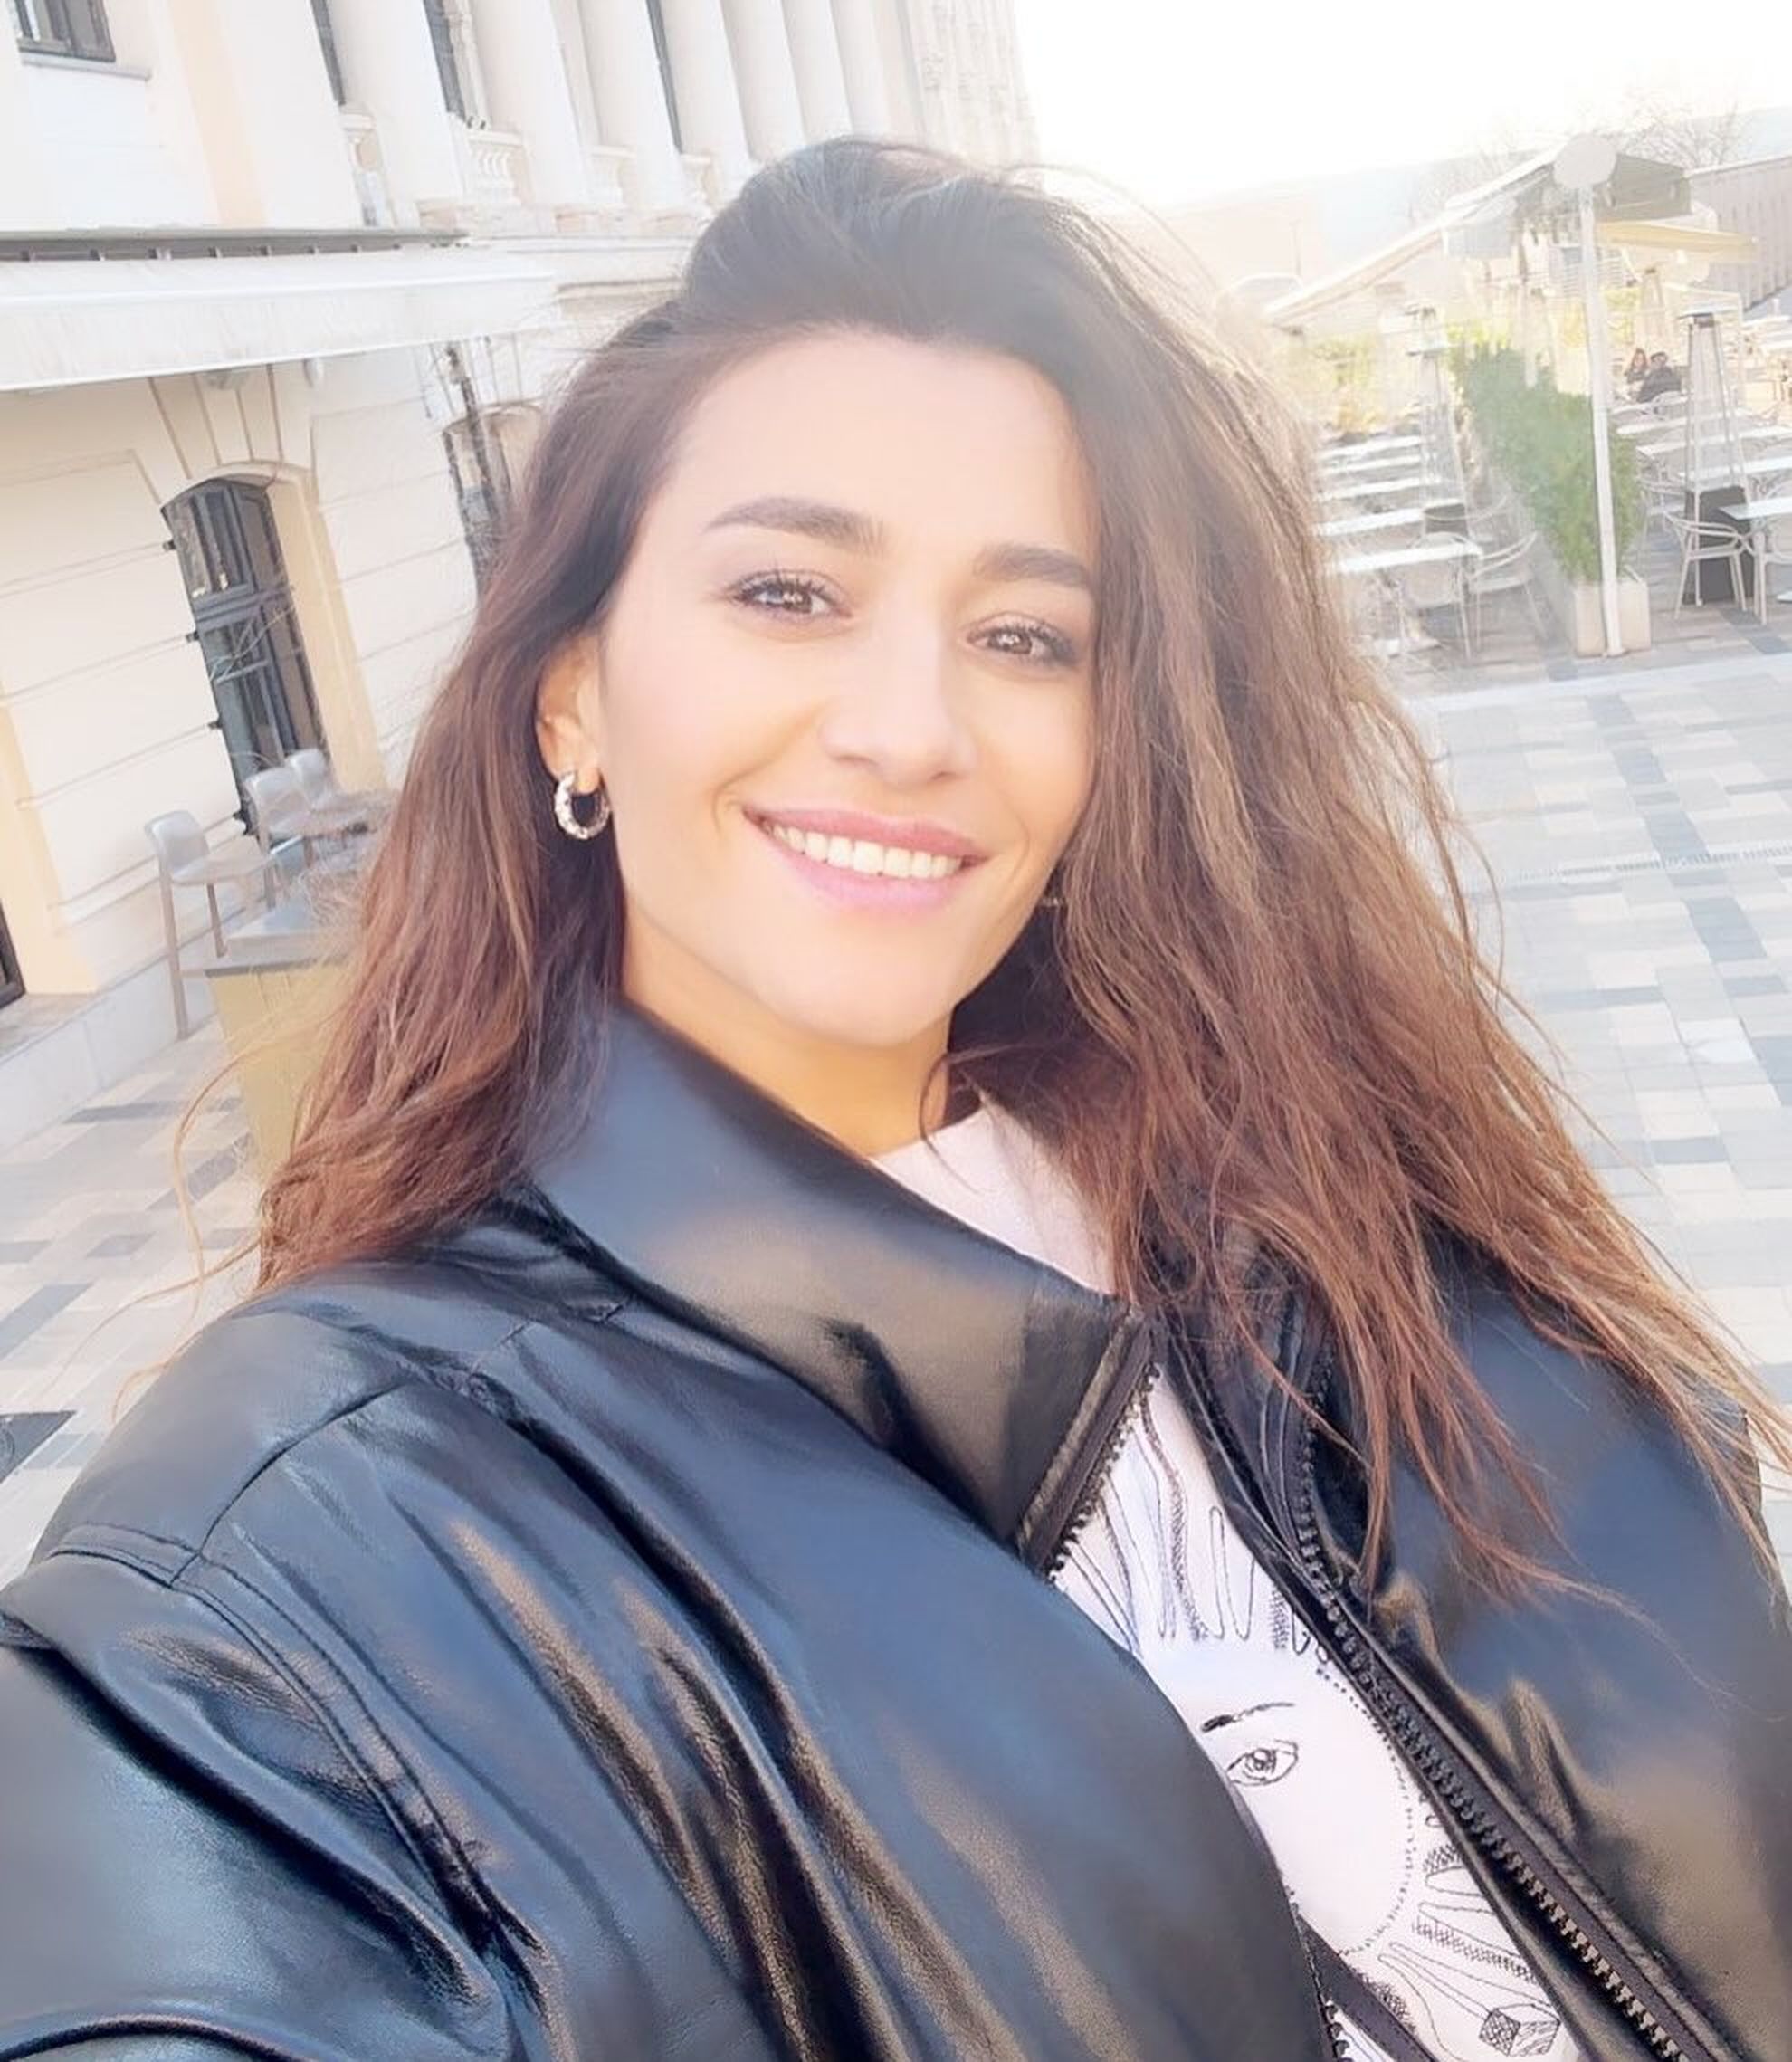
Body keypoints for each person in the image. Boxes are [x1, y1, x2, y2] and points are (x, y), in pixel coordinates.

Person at [1, 140, 1788, 2062]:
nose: (912, 727)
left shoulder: (1333, 1209)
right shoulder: (297, 1543)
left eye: (1024, 635)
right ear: (570, 691)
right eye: (789, 591)